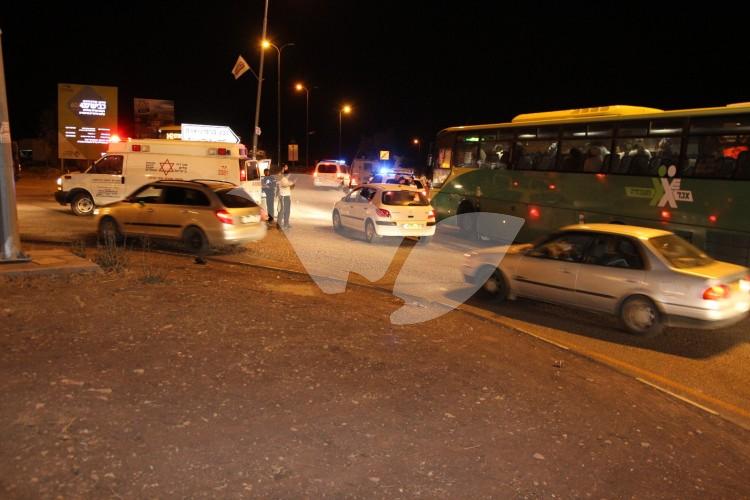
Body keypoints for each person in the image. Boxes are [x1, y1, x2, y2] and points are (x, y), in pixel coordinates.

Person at [278, 164, 295, 229]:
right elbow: (284, 185)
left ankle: (286, 224)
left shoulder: (286, 179)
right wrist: (290, 185)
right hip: (283, 196)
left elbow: (289, 187)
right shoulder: (282, 178)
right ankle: (279, 224)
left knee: (287, 210)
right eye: (286, 167)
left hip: (287, 196)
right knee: (282, 210)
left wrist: (292, 185)